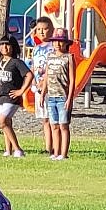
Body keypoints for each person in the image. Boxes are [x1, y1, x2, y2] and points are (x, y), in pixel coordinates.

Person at [0, 35, 30, 157]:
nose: (4, 47)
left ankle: (18, 149)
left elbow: (29, 75)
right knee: (7, 123)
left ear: (13, 47)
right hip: (1, 96)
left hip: (12, 96)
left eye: (7, 44)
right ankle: (8, 150)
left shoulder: (17, 62)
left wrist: (21, 90)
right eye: (2, 44)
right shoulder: (0, 62)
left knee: (2, 122)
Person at [44, 28, 76, 159]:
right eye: (55, 41)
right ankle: (55, 152)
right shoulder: (50, 56)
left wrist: (69, 98)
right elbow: (46, 75)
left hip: (63, 96)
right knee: (54, 125)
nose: (58, 44)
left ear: (66, 43)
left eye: (61, 41)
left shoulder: (69, 57)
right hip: (51, 96)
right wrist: (42, 94)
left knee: (63, 125)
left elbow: (73, 79)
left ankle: (63, 153)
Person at [28, 16, 56, 154]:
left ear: (51, 30)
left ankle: (55, 146)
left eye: (45, 29)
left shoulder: (53, 48)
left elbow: (51, 68)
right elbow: (34, 66)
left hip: (50, 87)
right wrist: (33, 81)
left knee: (53, 119)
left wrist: (43, 82)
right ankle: (47, 146)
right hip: (38, 88)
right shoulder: (36, 49)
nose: (42, 32)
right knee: (44, 118)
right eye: (39, 29)